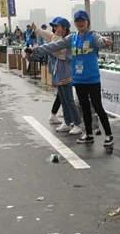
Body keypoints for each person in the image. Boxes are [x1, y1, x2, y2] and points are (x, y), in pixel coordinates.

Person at [26, 10, 113, 147]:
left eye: (82, 21)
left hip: (92, 79)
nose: (80, 23)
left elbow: (100, 41)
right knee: (84, 108)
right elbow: (52, 46)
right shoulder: (72, 38)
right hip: (78, 79)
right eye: (78, 21)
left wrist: (105, 41)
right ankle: (88, 134)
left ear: (87, 22)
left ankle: (109, 135)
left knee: (97, 107)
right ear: (75, 23)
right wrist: (35, 51)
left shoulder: (93, 36)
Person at [31, 17, 82, 134]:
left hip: (66, 73)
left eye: (57, 26)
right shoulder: (55, 37)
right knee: (63, 100)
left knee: (69, 100)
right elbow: (46, 34)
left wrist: (46, 49)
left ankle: (77, 124)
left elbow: (62, 54)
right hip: (58, 72)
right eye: (54, 26)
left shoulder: (67, 40)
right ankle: (67, 122)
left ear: (64, 28)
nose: (55, 29)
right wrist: (37, 29)